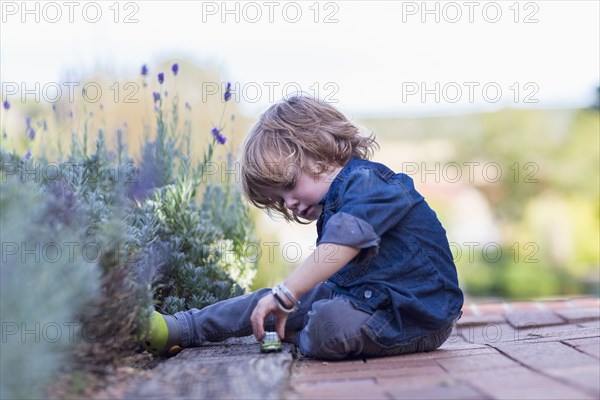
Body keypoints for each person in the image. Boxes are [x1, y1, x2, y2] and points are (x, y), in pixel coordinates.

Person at [143, 95, 463, 360]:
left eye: (289, 186)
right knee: (271, 299)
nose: (289, 204)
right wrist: (285, 295)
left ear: (318, 148)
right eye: (279, 201)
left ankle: (294, 332)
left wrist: (289, 293)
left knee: (325, 321)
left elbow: (346, 240)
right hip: (364, 299)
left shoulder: (369, 182)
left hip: (415, 317)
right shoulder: (333, 202)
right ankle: (181, 327)